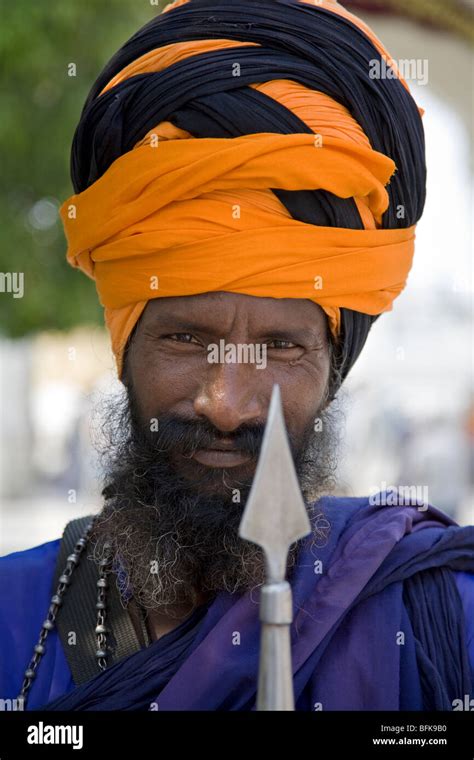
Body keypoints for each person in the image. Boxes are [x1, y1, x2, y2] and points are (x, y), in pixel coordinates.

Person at [1, 0, 473, 712]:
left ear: (335, 364)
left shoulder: (439, 619)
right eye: (186, 338)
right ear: (125, 343)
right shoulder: (13, 618)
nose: (224, 401)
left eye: (281, 346)